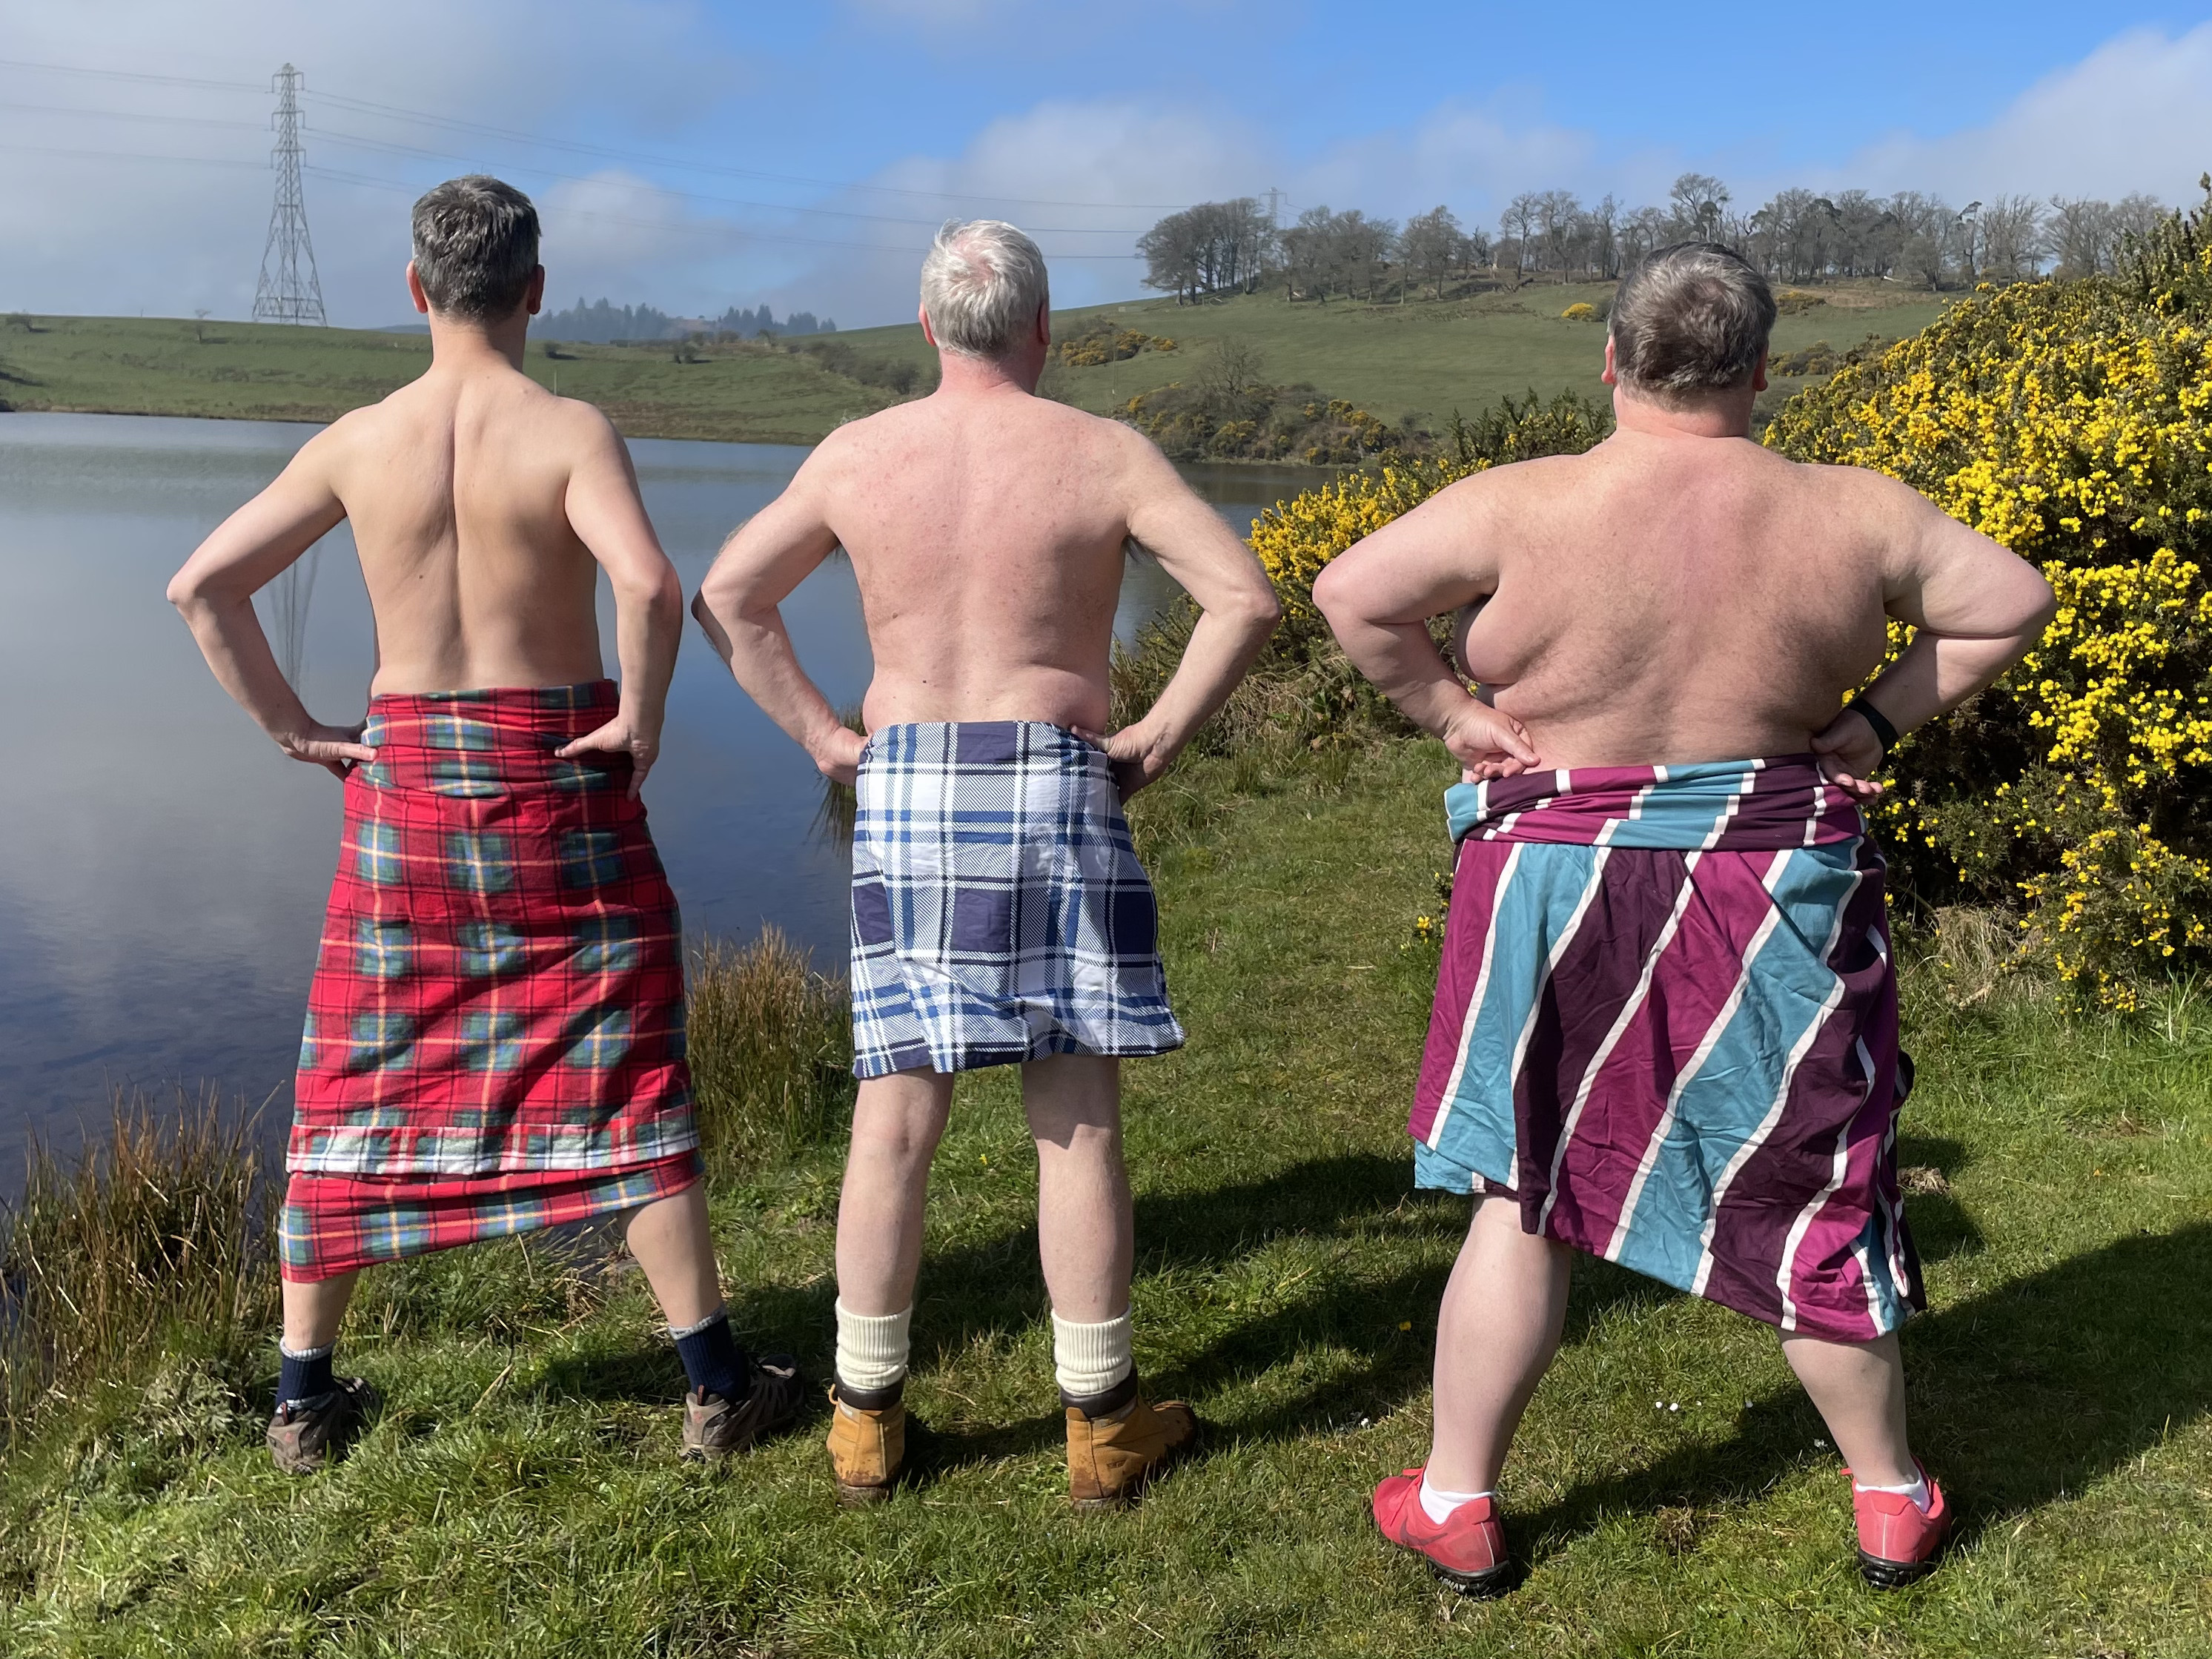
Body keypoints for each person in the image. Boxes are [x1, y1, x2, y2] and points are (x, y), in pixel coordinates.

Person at [1314, 242, 2054, 1595]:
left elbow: (1352, 594)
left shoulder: (1521, 501)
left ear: (1610, 361)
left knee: (1523, 1187)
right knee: (1811, 1188)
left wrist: (1456, 717)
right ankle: (1890, 1496)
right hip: (1768, 881)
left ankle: (1456, 1499)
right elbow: (2011, 600)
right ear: (1763, 372)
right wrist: (1873, 722)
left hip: (1555, 879)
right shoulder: (1854, 510)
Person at [168, 176, 800, 1474]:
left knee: (359, 1063)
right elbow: (648, 582)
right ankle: (714, 1383)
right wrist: (643, 723)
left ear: (414, 289)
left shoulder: (357, 438)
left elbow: (203, 586)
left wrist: (294, 728)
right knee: (620, 1041)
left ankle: (302, 1400)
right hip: (554, 766)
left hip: (402, 780)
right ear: (536, 290)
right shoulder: (568, 429)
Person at [692, 219, 1279, 1509]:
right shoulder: (1103, 454)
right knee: (1073, 1116)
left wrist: (829, 741)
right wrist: (1156, 738)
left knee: (894, 1113)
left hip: (907, 779)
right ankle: (1102, 1427)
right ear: (1045, 327)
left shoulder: (860, 457)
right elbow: (1244, 596)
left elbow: (731, 595)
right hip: (1056, 773)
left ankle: (864, 1422)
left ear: (926, 329)